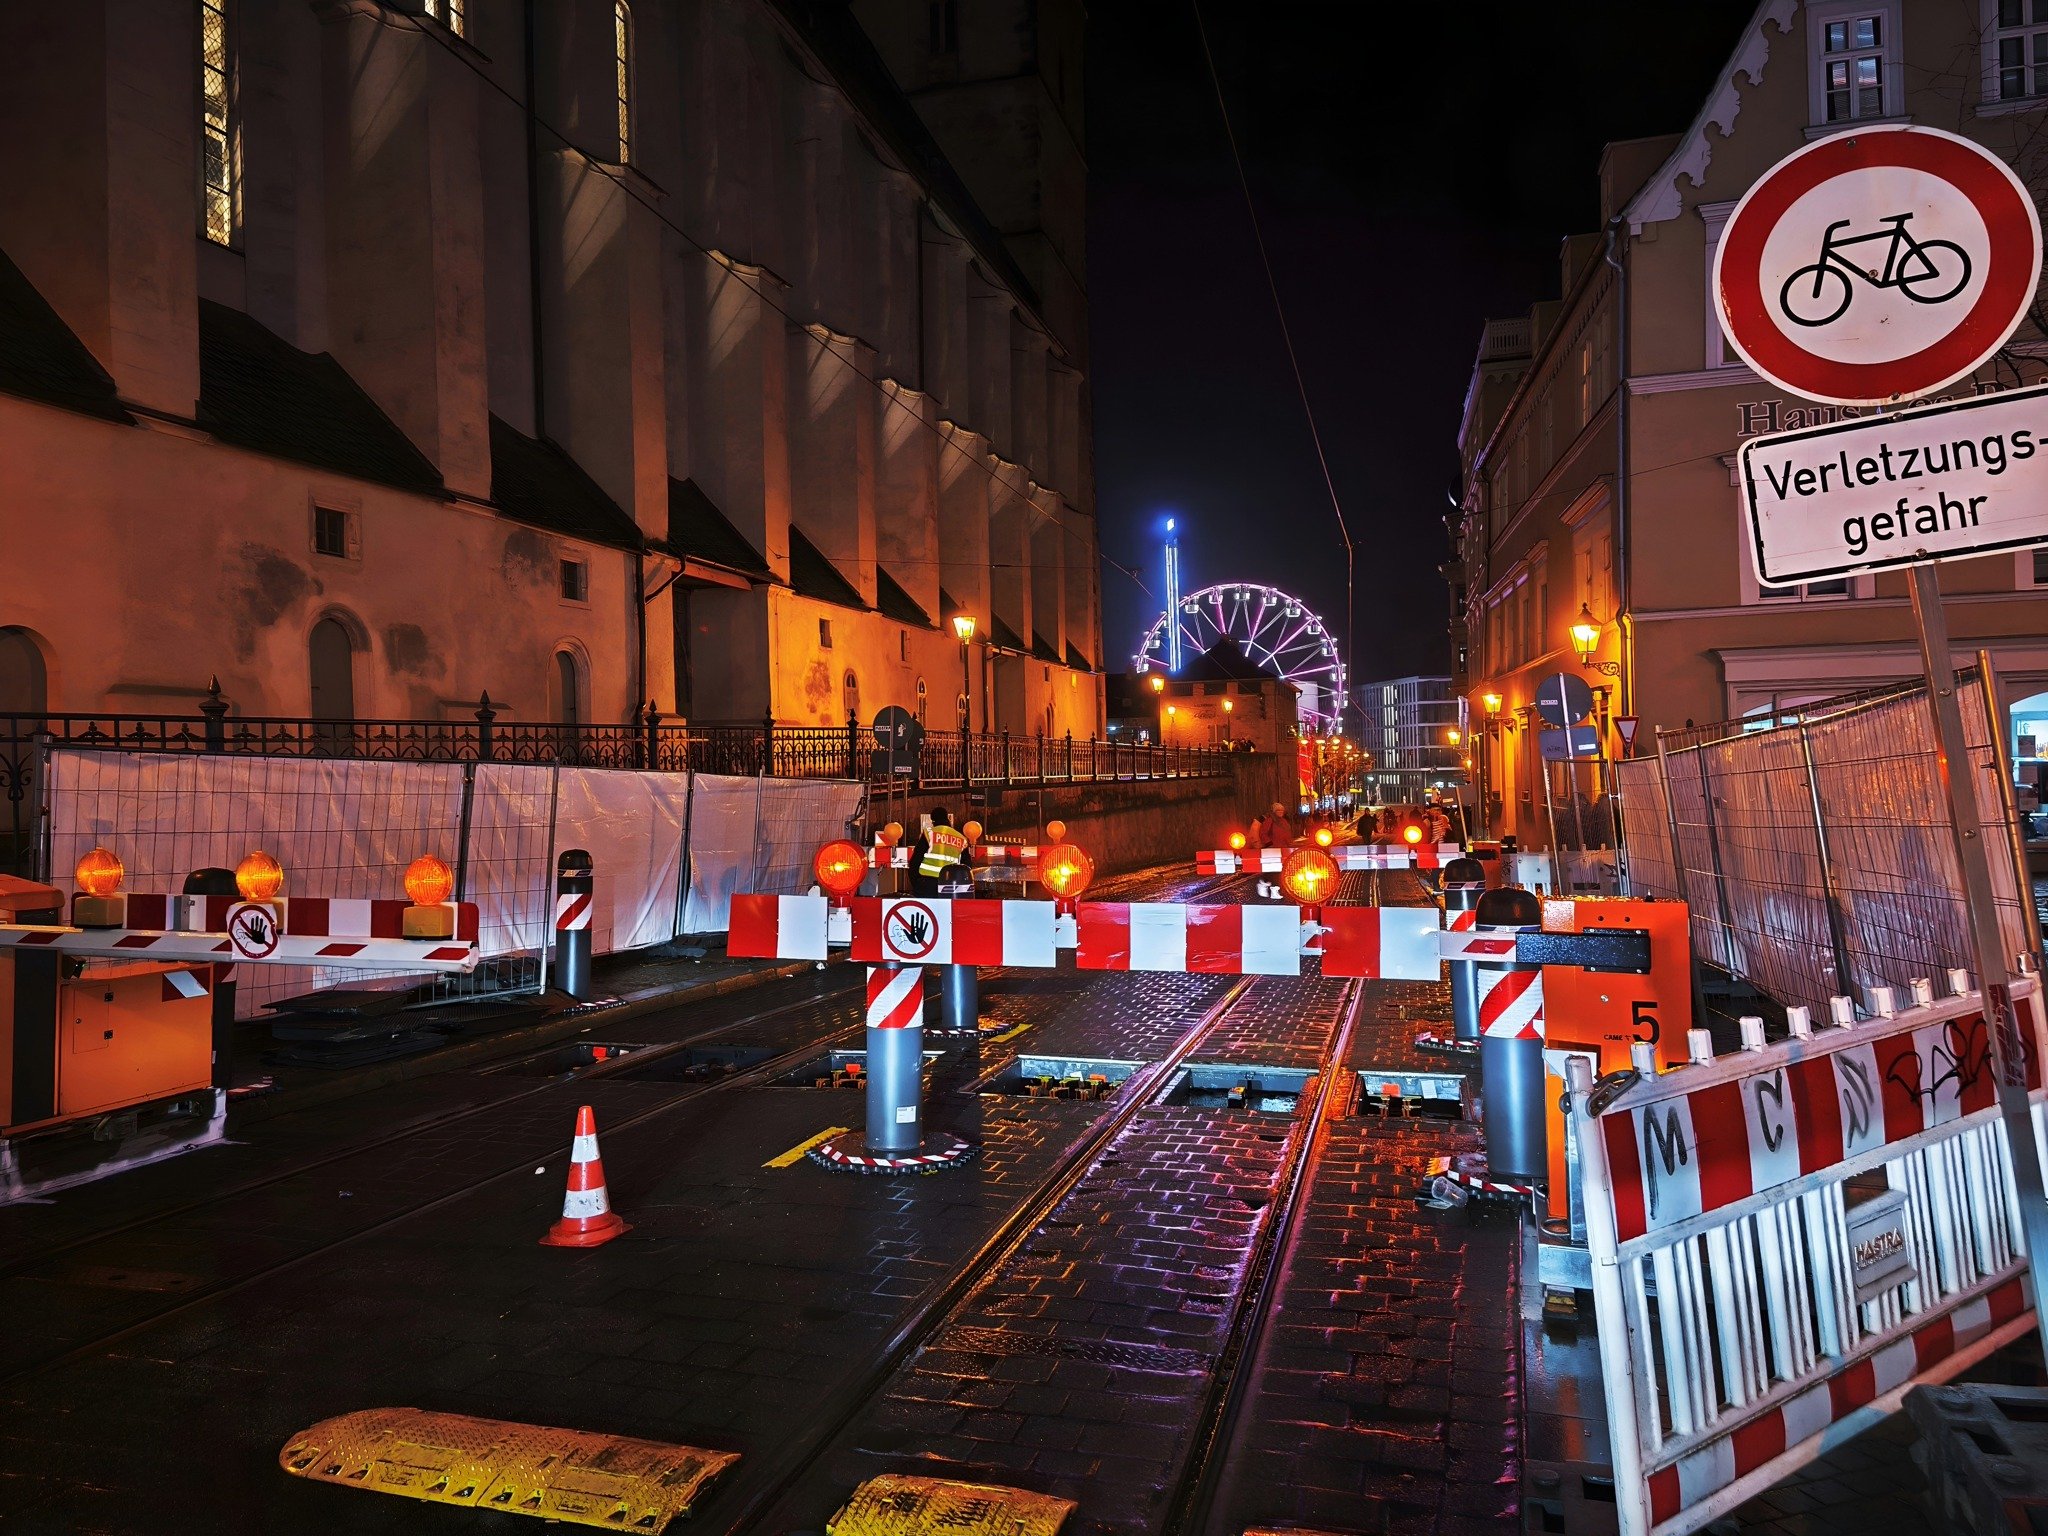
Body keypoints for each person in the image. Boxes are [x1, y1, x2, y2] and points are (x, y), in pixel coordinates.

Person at [910, 807, 970, 896]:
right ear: (948, 818)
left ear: (933, 820)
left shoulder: (929, 834)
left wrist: (916, 884)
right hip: (951, 885)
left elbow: (915, 860)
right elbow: (967, 866)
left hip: (927, 884)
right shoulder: (961, 838)